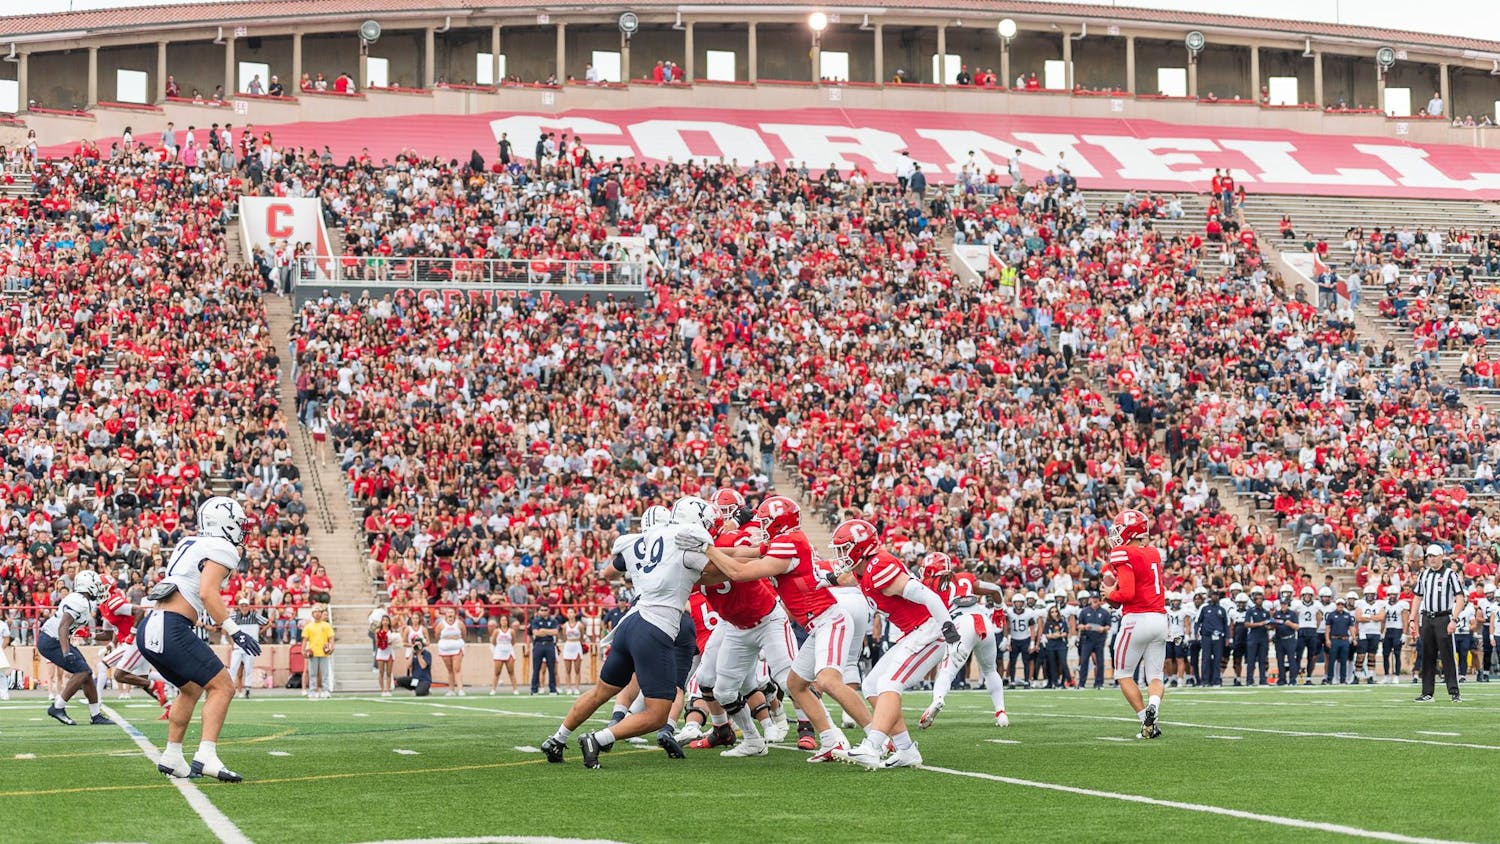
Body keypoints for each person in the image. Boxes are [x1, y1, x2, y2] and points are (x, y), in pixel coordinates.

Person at [541, 496, 717, 769]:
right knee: (659, 712)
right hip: (658, 625)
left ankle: (557, 738)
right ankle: (599, 738)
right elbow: (725, 571)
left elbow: (608, 572)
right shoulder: (684, 545)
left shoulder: (637, 543)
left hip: (629, 622)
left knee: (601, 691)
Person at [703, 495, 868, 762]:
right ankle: (828, 740)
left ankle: (876, 737)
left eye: (766, 522)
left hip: (821, 618)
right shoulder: (784, 540)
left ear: (779, 523)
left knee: (824, 681)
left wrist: (708, 550)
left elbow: (739, 573)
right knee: (791, 684)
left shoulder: (787, 543)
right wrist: (711, 548)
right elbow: (748, 553)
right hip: (806, 623)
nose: (761, 527)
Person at [137, 497, 259, 781]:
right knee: (223, 686)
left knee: (191, 689)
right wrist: (234, 629)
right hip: (172, 628)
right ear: (224, 523)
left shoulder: (189, 542)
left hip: (151, 626)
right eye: (238, 523)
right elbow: (207, 592)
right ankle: (206, 756)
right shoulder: (222, 548)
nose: (242, 529)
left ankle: (172, 756)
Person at [822, 519, 960, 770]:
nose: (841, 555)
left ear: (860, 547)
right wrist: (826, 578)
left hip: (929, 632)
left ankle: (872, 747)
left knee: (889, 683)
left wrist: (949, 631)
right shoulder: (863, 569)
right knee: (872, 685)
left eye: (844, 549)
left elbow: (928, 596)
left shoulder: (880, 566)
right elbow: (848, 578)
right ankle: (906, 749)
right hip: (913, 633)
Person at [919, 553, 1008, 728]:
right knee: (990, 670)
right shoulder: (965, 577)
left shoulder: (929, 585)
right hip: (982, 620)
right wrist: (998, 610)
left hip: (961, 624)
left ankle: (937, 699)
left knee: (946, 671)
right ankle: (1001, 712)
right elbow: (995, 589)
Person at [1100, 509, 1167, 739]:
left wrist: (1110, 593)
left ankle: (1145, 720)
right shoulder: (1153, 552)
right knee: (1155, 675)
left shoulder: (1122, 552)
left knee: (1123, 674)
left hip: (1136, 619)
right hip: (1160, 620)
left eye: (1119, 529)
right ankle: (1153, 707)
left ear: (1129, 530)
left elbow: (1127, 594)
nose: (1115, 534)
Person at [38, 570, 112, 726]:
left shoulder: (81, 600)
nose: (99, 589)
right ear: (89, 585)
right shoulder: (79, 601)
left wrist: (88, 635)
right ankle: (58, 707)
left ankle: (96, 715)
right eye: (97, 585)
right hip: (52, 640)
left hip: (55, 639)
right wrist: (66, 652)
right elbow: (63, 626)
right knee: (82, 671)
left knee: (87, 673)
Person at [98, 578, 169, 717]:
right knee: (141, 679)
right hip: (130, 641)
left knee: (114, 671)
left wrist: (132, 633)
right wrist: (91, 635)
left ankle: (96, 701)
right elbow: (112, 631)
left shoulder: (113, 601)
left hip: (135, 641)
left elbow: (140, 611)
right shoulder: (104, 605)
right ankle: (169, 705)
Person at [1409, 544, 1466, 702]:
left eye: (1434, 556)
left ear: (1441, 556)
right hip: (1427, 618)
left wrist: (1454, 619)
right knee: (1427, 655)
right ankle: (1427, 693)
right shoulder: (1424, 574)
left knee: (1447, 655)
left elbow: (1460, 597)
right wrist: (1412, 619)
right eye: (1429, 556)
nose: (1431, 559)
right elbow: (1417, 597)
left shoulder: (1450, 574)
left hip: (1443, 617)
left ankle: (1454, 692)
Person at [227, 598, 267, 698]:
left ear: (248, 606)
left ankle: (247, 689)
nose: (244, 608)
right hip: (238, 646)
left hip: (249, 647)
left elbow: (268, 623)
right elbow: (227, 625)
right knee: (233, 668)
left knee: (248, 668)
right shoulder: (234, 616)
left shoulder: (254, 616)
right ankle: (229, 688)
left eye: (245, 605)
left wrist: (258, 634)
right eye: (242, 606)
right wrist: (232, 642)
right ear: (239, 607)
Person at [1076, 592, 1111, 690]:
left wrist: (1103, 629)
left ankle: (1099, 683)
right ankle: (1081, 683)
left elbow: (1108, 626)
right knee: (1084, 661)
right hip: (1087, 639)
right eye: (1093, 598)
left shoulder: (1104, 612)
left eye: (1097, 598)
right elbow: (1079, 625)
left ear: (1100, 600)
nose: (1095, 600)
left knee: (1100, 662)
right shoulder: (1084, 611)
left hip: (1099, 639)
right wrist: (1085, 627)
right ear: (1090, 599)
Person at [301, 605, 335, 699]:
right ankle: (312, 691)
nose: (317, 614)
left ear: (321, 613)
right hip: (313, 653)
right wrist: (302, 650)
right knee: (312, 673)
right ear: (312, 614)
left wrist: (332, 646)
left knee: (325, 673)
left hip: (324, 652)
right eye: (315, 612)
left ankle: (325, 690)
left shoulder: (326, 625)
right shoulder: (309, 626)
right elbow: (305, 639)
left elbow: (331, 637)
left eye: (319, 612)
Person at [1291, 586, 1323, 684]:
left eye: (1309, 595)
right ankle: (1294, 678)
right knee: (1298, 656)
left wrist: (1316, 627)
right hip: (1302, 630)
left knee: (1311, 657)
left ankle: (1309, 678)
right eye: (1306, 595)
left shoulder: (1316, 605)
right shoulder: (1298, 604)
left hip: (1312, 631)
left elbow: (1319, 616)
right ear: (1302, 596)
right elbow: (1293, 615)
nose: (1307, 597)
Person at [529, 604, 561, 694]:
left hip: (549, 644)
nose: (543, 612)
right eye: (542, 610)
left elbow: (556, 632)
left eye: (545, 610)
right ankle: (534, 689)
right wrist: (548, 632)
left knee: (552, 668)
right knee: (536, 668)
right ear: (539, 611)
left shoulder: (553, 620)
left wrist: (543, 630)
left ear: (549, 610)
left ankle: (553, 689)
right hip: (538, 644)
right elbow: (536, 633)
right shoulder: (535, 621)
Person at [1354, 584, 1382, 684]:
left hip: (1375, 632)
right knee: (1360, 655)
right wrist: (1373, 617)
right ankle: (1357, 676)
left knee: (1372, 655)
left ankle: (1370, 676)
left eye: (1372, 594)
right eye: (1368, 594)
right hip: (1363, 632)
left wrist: (1367, 617)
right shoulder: (1360, 604)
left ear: (1375, 595)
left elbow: (1381, 617)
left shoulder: (1379, 604)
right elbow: (1358, 618)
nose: (1370, 596)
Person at [1324, 597, 1356, 684]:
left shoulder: (1347, 615)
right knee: (1332, 660)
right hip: (1334, 639)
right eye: (1339, 604)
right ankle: (1330, 679)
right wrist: (1327, 639)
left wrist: (1354, 638)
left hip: (1344, 640)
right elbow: (1327, 628)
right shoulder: (1331, 615)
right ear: (1336, 605)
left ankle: (1343, 679)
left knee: (1344, 660)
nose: (1340, 606)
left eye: (1342, 604)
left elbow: (1351, 627)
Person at [1242, 588, 1271, 686]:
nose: (1259, 601)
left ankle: (1263, 679)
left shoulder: (1266, 612)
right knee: (1251, 660)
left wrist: (1269, 626)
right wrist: (1259, 624)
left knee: (1263, 660)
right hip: (1253, 637)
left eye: (1261, 599)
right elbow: (1246, 624)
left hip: (1263, 637)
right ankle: (1249, 680)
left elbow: (1268, 624)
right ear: (1254, 600)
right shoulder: (1250, 611)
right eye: (1257, 599)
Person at [435, 607, 466, 696]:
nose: (450, 614)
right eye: (448, 612)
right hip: (445, 649)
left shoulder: (459, 624)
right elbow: (437, 635)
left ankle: (460, 689)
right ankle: (451, 690)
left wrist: (456, 640)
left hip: (457, 648)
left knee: (457, 669)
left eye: (452, 612)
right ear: (445, 615)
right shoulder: (441, 624)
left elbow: (464, 634)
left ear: (455, 614)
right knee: (450, 670)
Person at [1382, 589, 1409, 684]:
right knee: (1385, 654)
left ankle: (1397, 676)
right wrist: (1381, 632)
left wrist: (1404, 634)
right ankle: (1386, 676)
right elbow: (1383, 620)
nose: (1392, 596)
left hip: (1398, 630)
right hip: (1388, 630)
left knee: (1397, 654)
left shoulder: (1402, 605)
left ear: (1397, 595)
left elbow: (1405, 620)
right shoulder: (1385, 605)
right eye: (1390, 594)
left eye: (1394, 594)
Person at [489, 614, 521, 695]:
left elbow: (513, 642)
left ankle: (515, 689)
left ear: (507, 622)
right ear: (500, 622)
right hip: (499, 651)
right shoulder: (496, 631)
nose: (504, 622)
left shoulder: (511, 631)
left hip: (508, 651)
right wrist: (500, 647)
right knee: (497, 672)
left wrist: (507, 646)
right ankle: (493, 689)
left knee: (511, 672)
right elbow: (493, 642)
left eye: (505, 620)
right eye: (502, 620)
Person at [560, 609, 584, 694]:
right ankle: (568, 687)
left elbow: (582, 636)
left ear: (575, 614)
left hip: (576, 645)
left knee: (577, 669)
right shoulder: (565, 625)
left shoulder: (580, 625)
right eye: (568, 613)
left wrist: (579, 643)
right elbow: (564, 636)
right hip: (568, 645)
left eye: (571, 612)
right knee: (568, 670)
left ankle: (576, 687)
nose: (570, 614)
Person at [374, 615, 396, 697]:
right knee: (381, 671)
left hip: (389, 651)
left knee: (389, 672)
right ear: (381, 622)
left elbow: (395, 642)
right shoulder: (378, 631)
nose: (385, 622)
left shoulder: (392, 631)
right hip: (381, 651)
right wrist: (383, 641)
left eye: (387, 620)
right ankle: (382, 690)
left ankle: (388, 689)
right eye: (384, 620)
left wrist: (390, 642)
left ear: (389, 622)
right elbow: (377, 643)